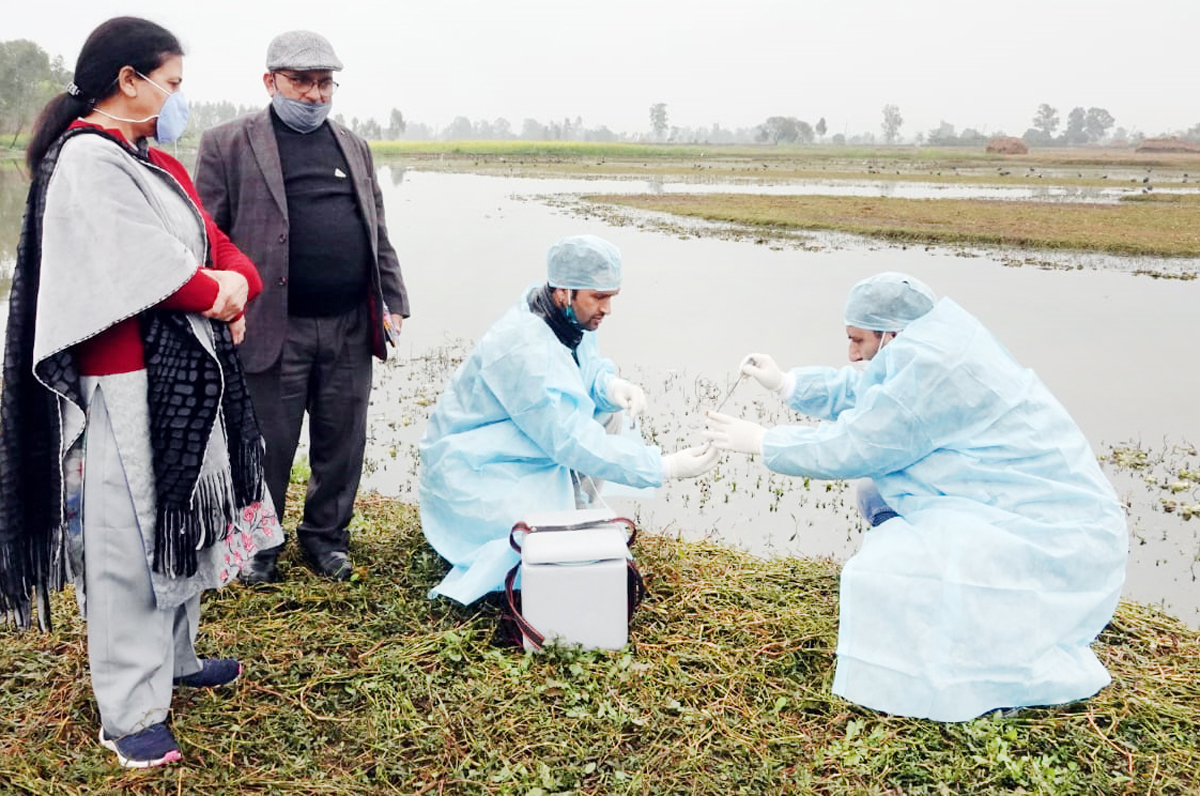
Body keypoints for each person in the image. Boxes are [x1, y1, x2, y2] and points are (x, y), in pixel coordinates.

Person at [0, 17, 282, 768]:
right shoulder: (88, 162)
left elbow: (221, 252)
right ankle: (128, 714)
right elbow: (158, 272)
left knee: (184, 516)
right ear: (130, 79)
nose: (177, 99)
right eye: (173, 84)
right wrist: (221, 292)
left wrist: (230, 284)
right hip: (123, 379)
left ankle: (177, 661)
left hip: (182, 374)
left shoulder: (152, 160)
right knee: (127, 546)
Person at [704, 272, 1128, 722]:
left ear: (891, 334)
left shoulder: (932, 368)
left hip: (1051, 527)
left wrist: (765, 442)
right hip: (1013, 496)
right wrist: (786, 383)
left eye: (858, 340)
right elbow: (872, 392)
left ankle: (961, 636)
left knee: (893, 561)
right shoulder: (931, 342)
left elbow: (855, 444)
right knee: (877, 492)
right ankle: (939, 602)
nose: (851, 353)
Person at [195, 30, 409, 583]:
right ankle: (260, 544)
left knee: (342, 439)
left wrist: (394, 301)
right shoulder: (227, 143)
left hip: (348, 323)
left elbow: (376, 229)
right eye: (302, 82)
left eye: (325, 83)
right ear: (270, 82)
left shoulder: (353, 145)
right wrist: (220, 301)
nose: (315, 95)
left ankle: (326, 539)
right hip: (271, 324)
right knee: (267, 440)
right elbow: (207, 234)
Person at [420, 234, 719, 605]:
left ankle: (573, 511)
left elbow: (582, 368)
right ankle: (550, 522)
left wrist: (608, 386)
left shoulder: (561, 314)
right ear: (565, 291)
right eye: (599, 297)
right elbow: (569, 439)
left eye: (612, 297)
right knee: (532, 547)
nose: (607, 309)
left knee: (606, 415)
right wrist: (662, 466)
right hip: (473, 468)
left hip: (516, 444)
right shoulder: (526, 348)